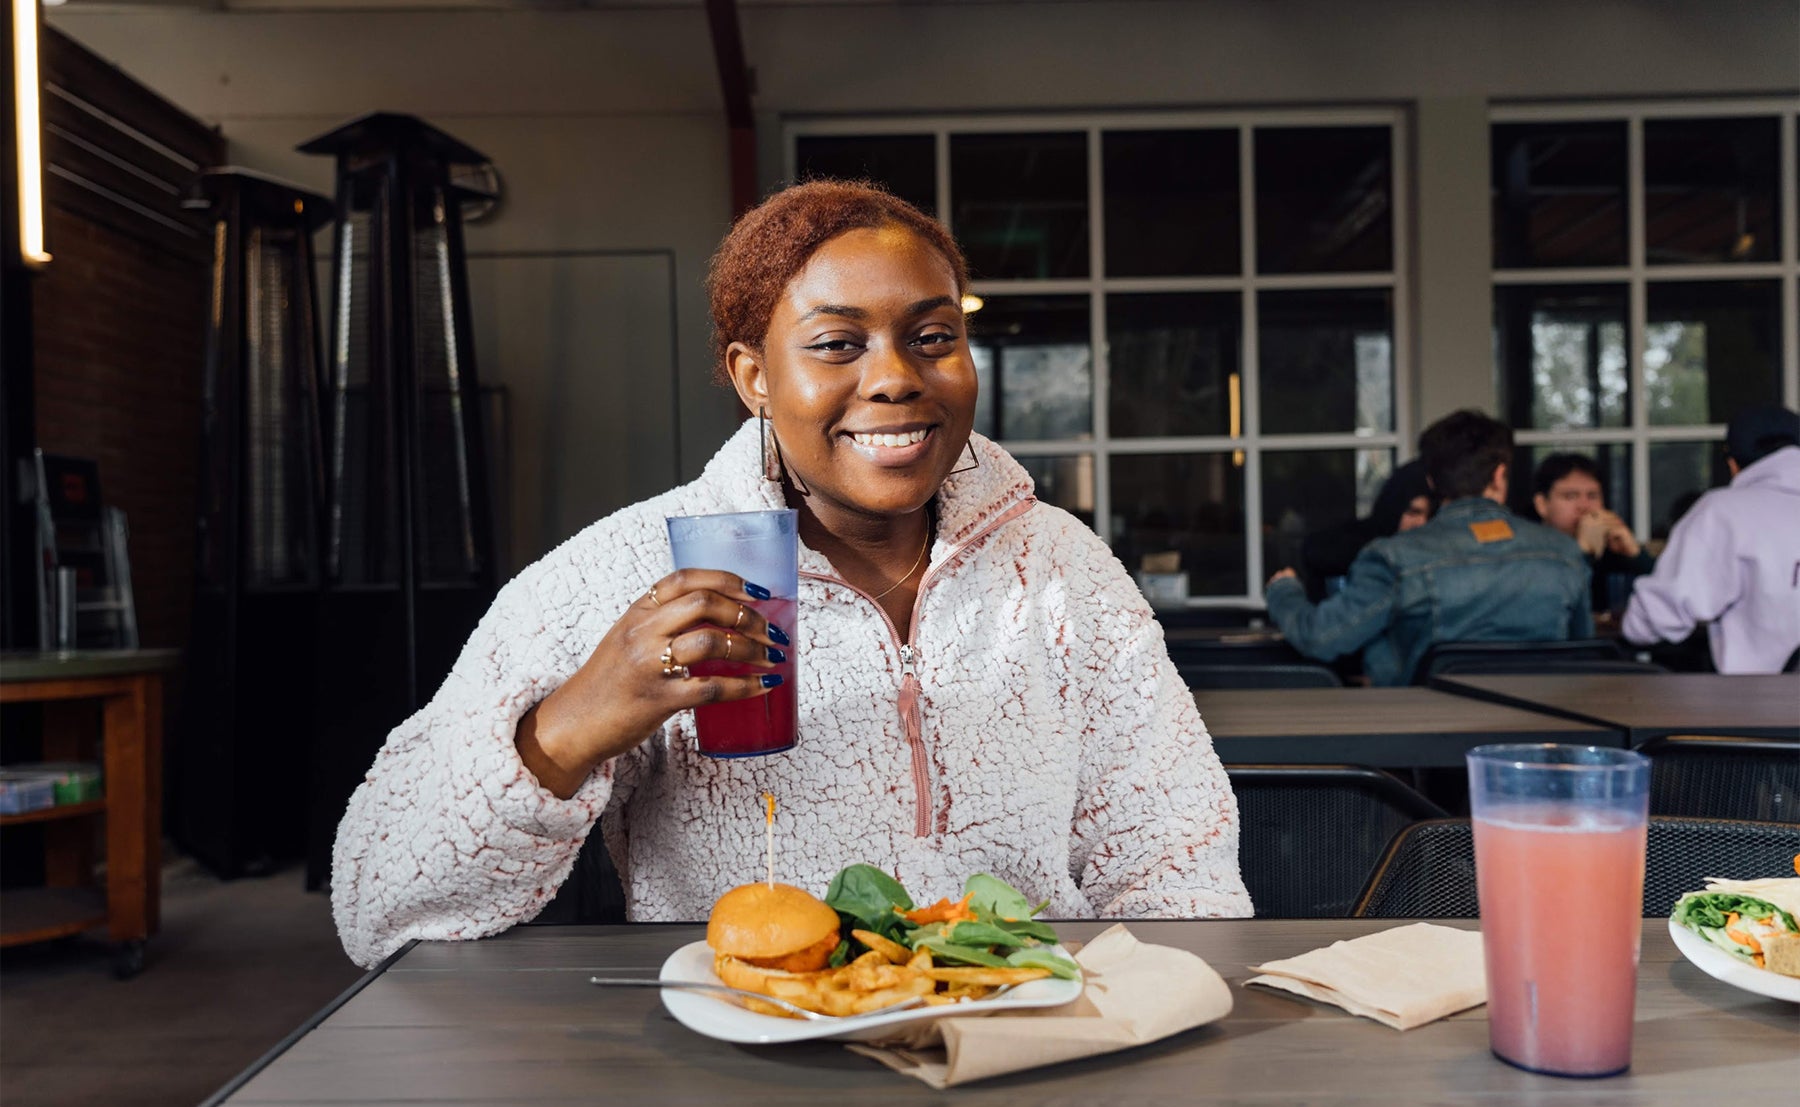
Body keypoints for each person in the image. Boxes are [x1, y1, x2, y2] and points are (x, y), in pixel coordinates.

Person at [330, 180, 1250, 968]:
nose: (895, 378)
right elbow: (381, 906)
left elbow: (1179, 866)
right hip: (747, 1059)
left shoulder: (1062, 568)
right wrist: (570, 728)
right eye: (836, 344)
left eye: (932, 336)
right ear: (752, 376)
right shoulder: (621, 573)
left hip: (1024, 1049)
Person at [1263, 410, 1591, 686]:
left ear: (1431, 480)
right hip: (1539, 742)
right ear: (1500, 475)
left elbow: (1321, 637)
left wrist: (1284, 591)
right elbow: (1583, 658)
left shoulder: (1394, 557)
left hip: (1420, 749)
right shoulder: (1564, 553)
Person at [1621, 404, 1800, 674]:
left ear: (1733, 464)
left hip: (1760, 707)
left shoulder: (1725, 511)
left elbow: (1653, 620)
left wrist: (1632, 626)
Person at [1530, 452, 1654, 616]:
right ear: (1542, 505)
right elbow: (1551, 604)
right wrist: (1583, 551)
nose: (1584, 506)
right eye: (1570, 496)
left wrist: (1636, 555)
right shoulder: (1525, 550)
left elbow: (1672, 592)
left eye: (1592, 496)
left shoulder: (1611, 548)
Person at [1298, 459, 1433, 601]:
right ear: (1395, 508)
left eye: (1428, 516)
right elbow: (1315, 552)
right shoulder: (1357, 542)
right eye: (1412, 512)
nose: (1421, 523)